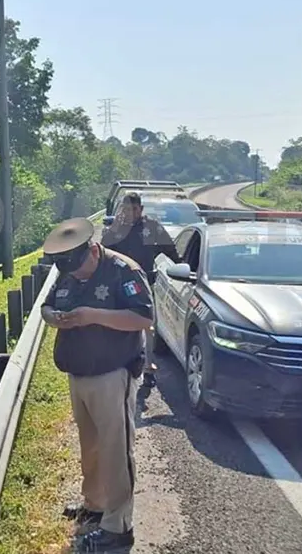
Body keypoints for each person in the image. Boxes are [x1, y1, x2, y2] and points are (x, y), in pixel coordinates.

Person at [41, 217, 153, 552]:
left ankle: (118, 527)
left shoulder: (123, 270)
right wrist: (54, 317)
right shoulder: (68, 271)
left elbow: (144, 317)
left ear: (93, 250)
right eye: (70, 271)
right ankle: (95, 505)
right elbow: (47, 305)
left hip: (112, 373)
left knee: (116, 450)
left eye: (80, 268)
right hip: (78, 373)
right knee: (89, 446)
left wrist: (92, 315)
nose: (76, 275)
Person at [102, 192, 178, 386]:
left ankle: (148, 369)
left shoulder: (152, 228)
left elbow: (172, 252)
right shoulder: (116, 228)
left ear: (141, 209)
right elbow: (102, 251)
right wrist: (114, 229)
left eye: (134, 209)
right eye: (126, 209)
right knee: (117, 324)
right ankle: (118, 364)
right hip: (117, 285)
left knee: (148, 326)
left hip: (144, 284)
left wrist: (182, 268)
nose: (130, 213)